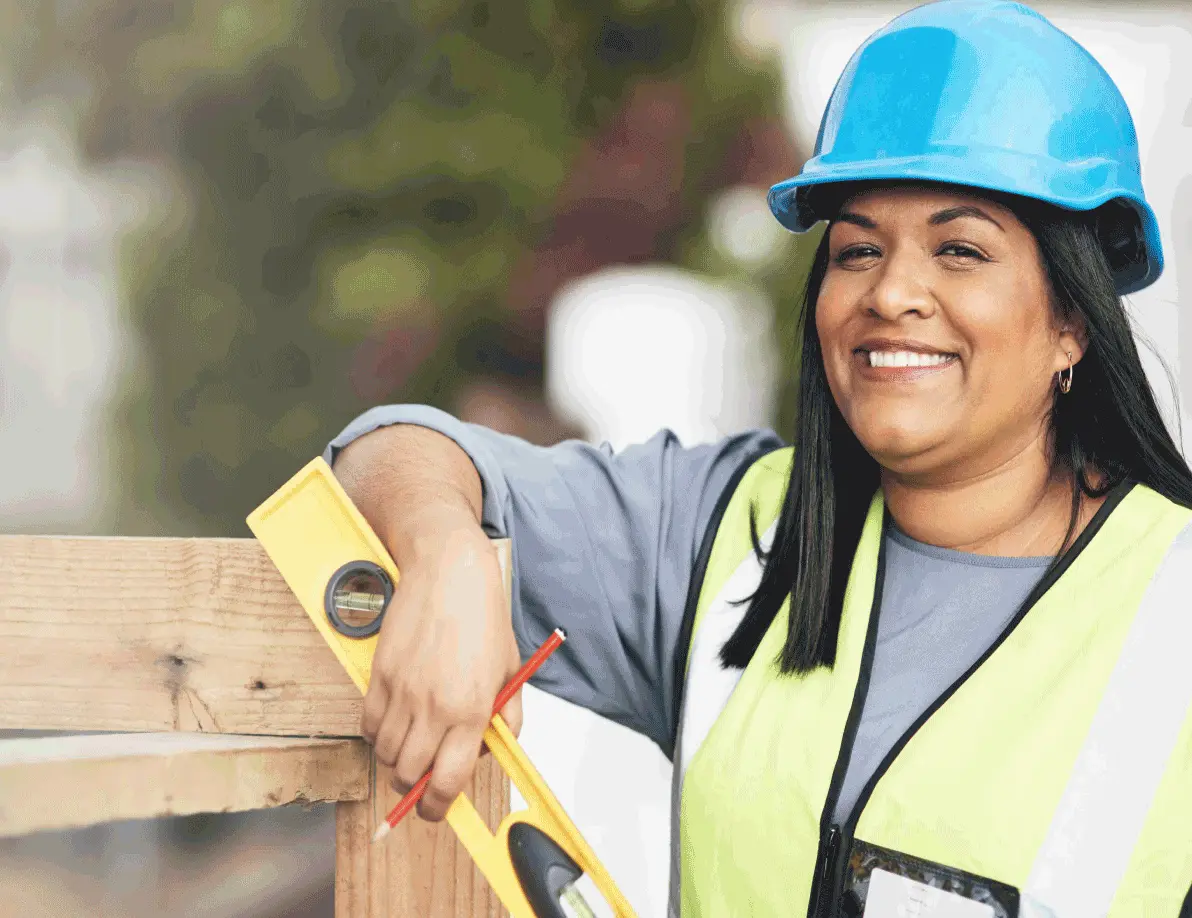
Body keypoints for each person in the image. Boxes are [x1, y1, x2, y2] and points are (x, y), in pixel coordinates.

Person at [323, 1, 1192, 915]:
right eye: (857, 250)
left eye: (961, 249)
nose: (892, 292)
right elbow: (390, 451)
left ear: (1072, 322)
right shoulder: (727, 534)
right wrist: (448, 554)